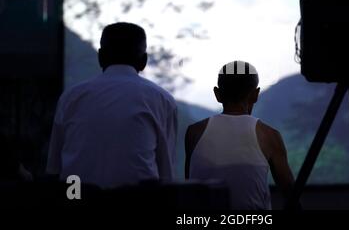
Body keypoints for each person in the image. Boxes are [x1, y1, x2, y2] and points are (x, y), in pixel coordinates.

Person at [46, 22, 177, 188]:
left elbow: (54, 170)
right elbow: (166, 174)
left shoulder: (71, 97)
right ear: (143, 61)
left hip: (76, 198)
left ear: (101, 56)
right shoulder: (161, 100)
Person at [185, 61, 294, 210]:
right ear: (255, 95)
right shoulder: (269, 136)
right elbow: (291, 195)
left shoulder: (194, 133)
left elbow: (190, 185)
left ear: (217, 94)